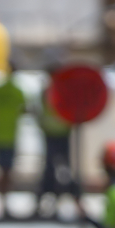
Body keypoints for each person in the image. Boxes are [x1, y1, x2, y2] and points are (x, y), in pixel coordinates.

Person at [0, 63, 26, 218]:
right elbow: (25, 109)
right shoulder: (18, 91)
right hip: (11, 135)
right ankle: (5, 205)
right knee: (8, 172)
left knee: (1, 171)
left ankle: (2, 204)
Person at [37, 80, 74, 215]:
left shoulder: (60, 90)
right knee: (50, 170)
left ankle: (62, 199)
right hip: (52, 133)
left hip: (60, 133)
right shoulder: (47, 91)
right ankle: (47, 200)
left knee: (62, 170)